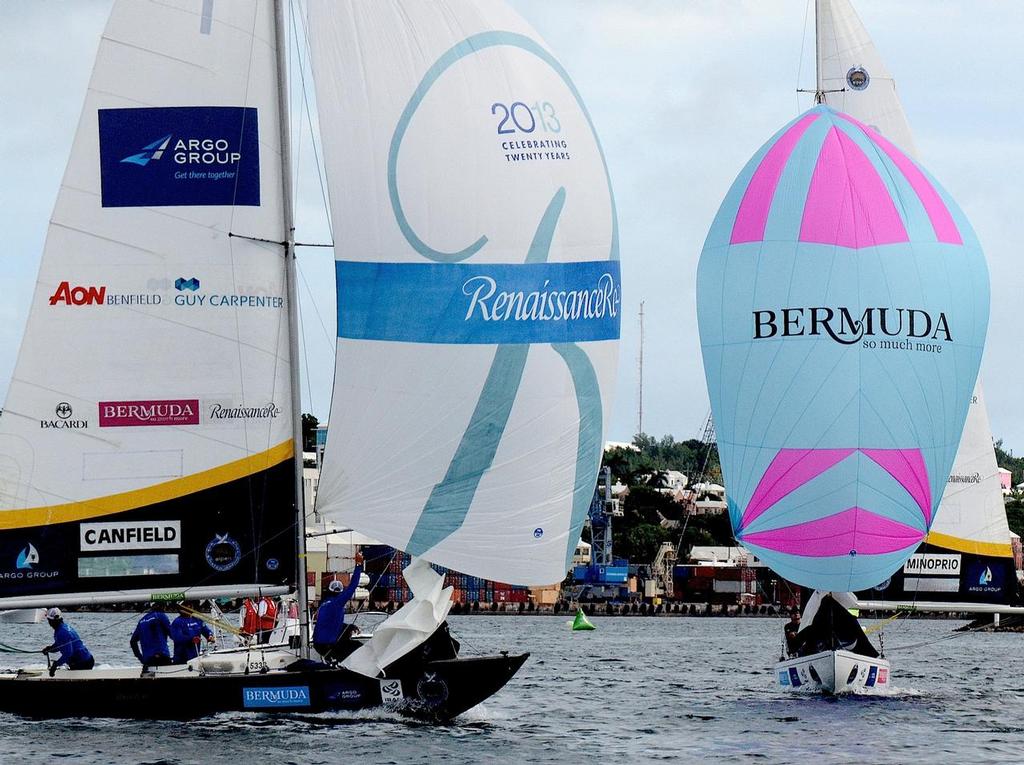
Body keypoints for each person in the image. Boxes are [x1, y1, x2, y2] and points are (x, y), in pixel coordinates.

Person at [312, 552, 364, 664]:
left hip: (318, 645)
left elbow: (331, 624)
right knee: (360, 647)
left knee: (346, 644)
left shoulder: (324, 604)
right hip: (328, 646)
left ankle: (333, 661)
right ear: (341, 592)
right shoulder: (338, 602)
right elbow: (353, 585)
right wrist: (359, 565)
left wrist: (350, 627)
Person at [41, 607, 94, 675]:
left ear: (53, 621)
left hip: (83, 663)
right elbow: (60, 645)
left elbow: (68, 654)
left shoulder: (63, 632)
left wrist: (56, 665)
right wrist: (50, 649)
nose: (49, 623)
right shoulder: (62, 628)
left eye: (49, 620)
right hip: (85, 660)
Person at [130, 602, 172, 669]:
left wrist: (140, 657)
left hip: (147, 659)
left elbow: (133, 641)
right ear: (163, 607)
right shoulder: (161, 616)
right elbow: (173, 635)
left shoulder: (142, 620)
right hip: (161, 656)